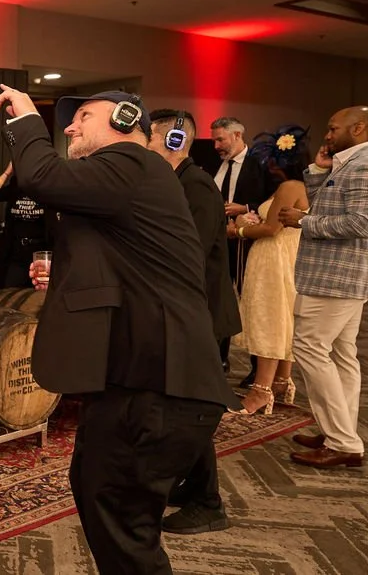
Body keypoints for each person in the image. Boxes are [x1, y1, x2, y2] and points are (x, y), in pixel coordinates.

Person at [0, 85, 238, 574]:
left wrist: (25, 118)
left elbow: (42, 175)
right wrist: (66, 277)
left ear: (126, 119)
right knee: (97, 494)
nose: (69, 127)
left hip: (158, 386)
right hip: (134, 381)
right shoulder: (130, 178)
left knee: (125, 532)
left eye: (83, 116)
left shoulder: (133, 161)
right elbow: (129, 260)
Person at [146, 109, 240, 535]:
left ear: (173, 141)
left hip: (202, 315)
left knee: (193, 408)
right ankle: (196, 488)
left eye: (150, 137)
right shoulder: (174, 182)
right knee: (188, 405)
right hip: (186, 312)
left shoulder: (196, 185)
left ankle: (209, 504)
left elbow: (190, 255)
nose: (144, 145)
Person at [279, 106, 368, 469]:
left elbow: (361, 222)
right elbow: (327, 205)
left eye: (333, 129)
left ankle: (343, 441)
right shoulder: (349, 162)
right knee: (343, 356)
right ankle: (339, 432)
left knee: (310, 349)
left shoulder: (362, 165)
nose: (327, 135)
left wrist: (304, 222)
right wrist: (318, 170)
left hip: (334, 276)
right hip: (341, 277)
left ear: (358, 128)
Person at [226, 126, 310, 416]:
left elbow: (271, 228)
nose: (268, 166)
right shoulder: (298, 185)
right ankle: (281, 382)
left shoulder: (289, 187)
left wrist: (238, 230)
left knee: (270, 319)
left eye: (271, 160)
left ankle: (261, 390)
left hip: (274, 258)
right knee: (282, 318)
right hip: (282, 256)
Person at [209, 116, 272, 382]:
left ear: (237, 135)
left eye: (220, 139)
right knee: (219, 299)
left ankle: (258, 369)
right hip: (219, 241)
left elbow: (273, 200)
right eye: (214, 140)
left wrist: (244, 208)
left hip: (249, 244)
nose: (216, 146)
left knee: (252, 302)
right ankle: (218, 359)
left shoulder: (260, 164)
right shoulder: (214, 163)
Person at [0, 161, 52, 287]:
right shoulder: (16, 187)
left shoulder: (46, 187)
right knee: (11, 289)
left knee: (41, 290)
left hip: (40, 252)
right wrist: (7, 172)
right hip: (17, 252)